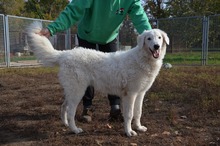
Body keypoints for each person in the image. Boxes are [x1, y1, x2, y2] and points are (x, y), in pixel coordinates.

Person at [39, 0, 152, 122]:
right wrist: (52, 29)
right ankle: (87, 107)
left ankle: (115, 107)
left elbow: (141, 19)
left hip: (109, 37)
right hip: (87, 35)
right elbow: (73, 10)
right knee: (85, 73)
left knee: (115, 73)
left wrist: (152, 39)